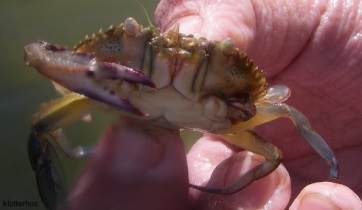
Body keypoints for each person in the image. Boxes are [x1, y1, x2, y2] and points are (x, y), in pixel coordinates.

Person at [68, 0, 362, 209]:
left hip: (214, 115)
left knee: (277, 138)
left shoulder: (236, 88)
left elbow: (280, 106)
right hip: (152, 101)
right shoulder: (122, 79)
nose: (178, 61)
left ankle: (229, 188)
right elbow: (75, 69)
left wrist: (223, 189)